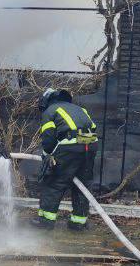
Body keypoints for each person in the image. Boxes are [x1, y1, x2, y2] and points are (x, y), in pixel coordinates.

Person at [31, 88, 98, 232]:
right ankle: (78, 223)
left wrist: (48, 155)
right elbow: (92, 128)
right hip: (90, 145)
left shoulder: (50, 111)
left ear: (46, 101)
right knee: (83, 185)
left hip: (70, 147)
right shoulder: (80, 109)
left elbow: (48, 139)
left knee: (54, 183)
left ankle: (46, 221)